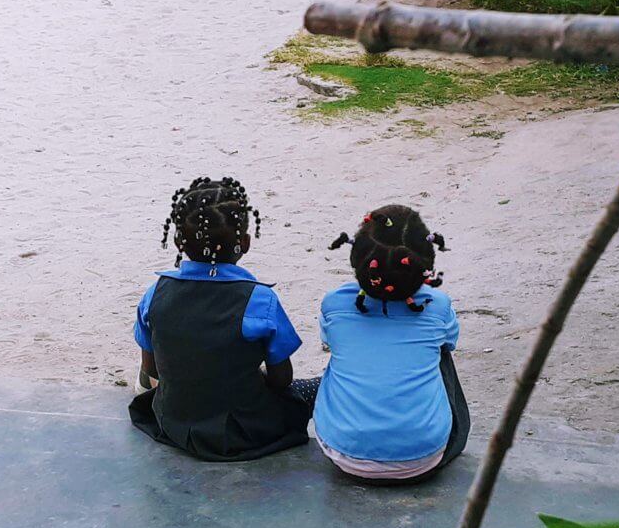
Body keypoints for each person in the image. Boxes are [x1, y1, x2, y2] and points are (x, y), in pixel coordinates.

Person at [129, 176, 311, 462]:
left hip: (174, 424)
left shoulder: (155, 293)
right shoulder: (259, 300)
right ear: (245, 243)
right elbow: (281, 380)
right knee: (311, 389)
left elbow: (152, 369)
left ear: (178, 241)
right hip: (242, 431)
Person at [312, 205, 469, 483]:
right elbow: (450, 344)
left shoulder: (334, 303)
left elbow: (329, 342)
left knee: (345, 350)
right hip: (423, 456)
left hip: (343, 453)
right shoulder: (437, 306)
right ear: (425, 263)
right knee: (439, 351)